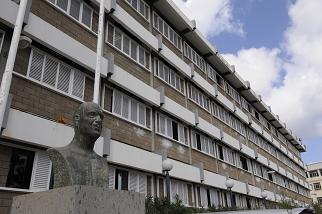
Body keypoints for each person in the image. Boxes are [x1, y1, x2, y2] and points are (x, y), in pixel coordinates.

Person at [47, 102, 108, 188]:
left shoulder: (103, 163)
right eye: (92, 115)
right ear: (77, 119)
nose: (99, 120)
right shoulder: (61, 154)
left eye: (101, 117)